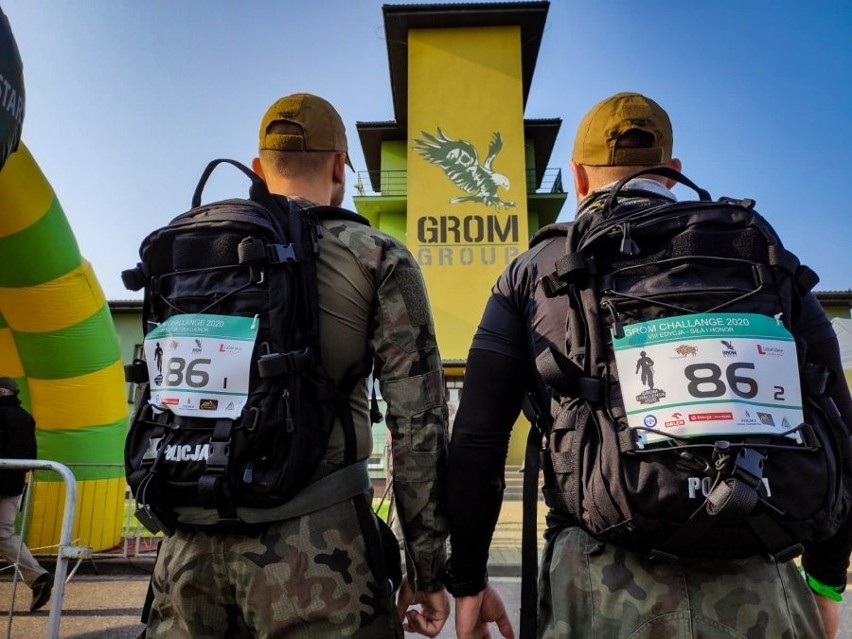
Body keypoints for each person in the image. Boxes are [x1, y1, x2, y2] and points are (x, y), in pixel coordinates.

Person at [442, 92, 852, 638]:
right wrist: (826, 580)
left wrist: (467, 578)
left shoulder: (534, 269)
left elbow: (476, 440)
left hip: (598, 580)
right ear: (672, 172)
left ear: (579, 179)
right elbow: (837, 423)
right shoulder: (755, 254)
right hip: (761, 564)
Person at [144, 93, 450, 638]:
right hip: (320, 552)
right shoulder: (375, 254)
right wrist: (427, 568)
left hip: (185, 550)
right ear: (339, 166)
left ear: (259, 170)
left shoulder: (187, 250)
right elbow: (418, 428)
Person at [0, 377, 53, 613]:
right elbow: (31, 456)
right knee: (3, 534)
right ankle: (38, 576)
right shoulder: (25, 417)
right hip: (13, 485)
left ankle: (38, 577)